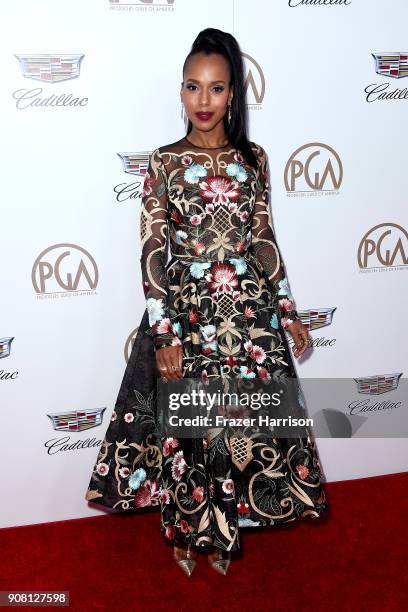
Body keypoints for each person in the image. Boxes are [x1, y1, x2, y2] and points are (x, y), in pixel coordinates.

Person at [85, 27, 328, 577]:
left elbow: (264, 241)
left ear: (233, 95)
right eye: (192, 87)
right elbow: (152, 252)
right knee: (192, 433)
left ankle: (224, 532)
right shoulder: (165, 162)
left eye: (216, 89)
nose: (203, 101)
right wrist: (165, 333)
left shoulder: (254, 159)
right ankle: (187, 531)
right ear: (180, 92)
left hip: (248, 319)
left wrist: (286, 311)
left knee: (239, 428)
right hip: (189, 317)